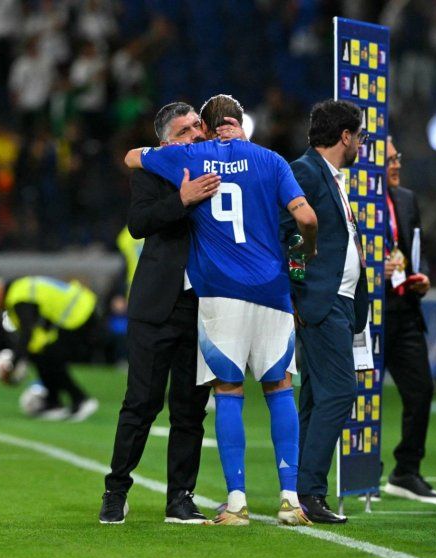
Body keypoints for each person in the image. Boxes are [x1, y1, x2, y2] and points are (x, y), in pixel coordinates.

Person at [124, 94, 318, 526]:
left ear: (210, 128)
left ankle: (236, 504)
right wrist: (308, 251)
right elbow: (306, 219)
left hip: (222, 295)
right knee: (281, 388)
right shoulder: (271, 160)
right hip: (273, 290)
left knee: (228, 392)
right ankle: (290, 499)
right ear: (241, 121)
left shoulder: (193, 155)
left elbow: (132, 157)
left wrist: (165, 152)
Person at [100, 102, 233, 525]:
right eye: (186, 129)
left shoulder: (222, 168)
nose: (197, 133)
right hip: (158, 304)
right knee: (140, 403)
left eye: (199, 125)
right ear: (166, 143)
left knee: (191, 409)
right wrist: (182, 199)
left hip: (205, 306)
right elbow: (138, 223)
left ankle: (180, 499)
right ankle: (115, 489)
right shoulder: (153, 171)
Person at [281, 100, 368, 524]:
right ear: (346, 136)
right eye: (360, 137)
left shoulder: (329, 177)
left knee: (316, 398)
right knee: (339, 393)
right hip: (323, 300)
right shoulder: (306, 172)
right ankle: (309, 493)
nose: (361, 145)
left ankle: (298, 490)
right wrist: (299, 291)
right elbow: (287, 235)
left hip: (340, 301)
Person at [381, 136, 436, 502]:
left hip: (404, 312)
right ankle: (344, 472)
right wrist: (374, 267)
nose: (397, 164)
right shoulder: (355, 201)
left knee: (421, 391)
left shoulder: (406, 199)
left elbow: (416, 249)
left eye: (398, 156)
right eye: (389, 159)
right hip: (368, 315)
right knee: (349, 398)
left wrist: (423, 275)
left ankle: (406, 470)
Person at [0, 274, 100, 421]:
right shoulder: (19, 289)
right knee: (41, 354)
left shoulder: (18, 297)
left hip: (79, 313)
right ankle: (53, 402)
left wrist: (13, 364)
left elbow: (27, 333)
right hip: (81, 308)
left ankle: (80, 399)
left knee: (49, 356)